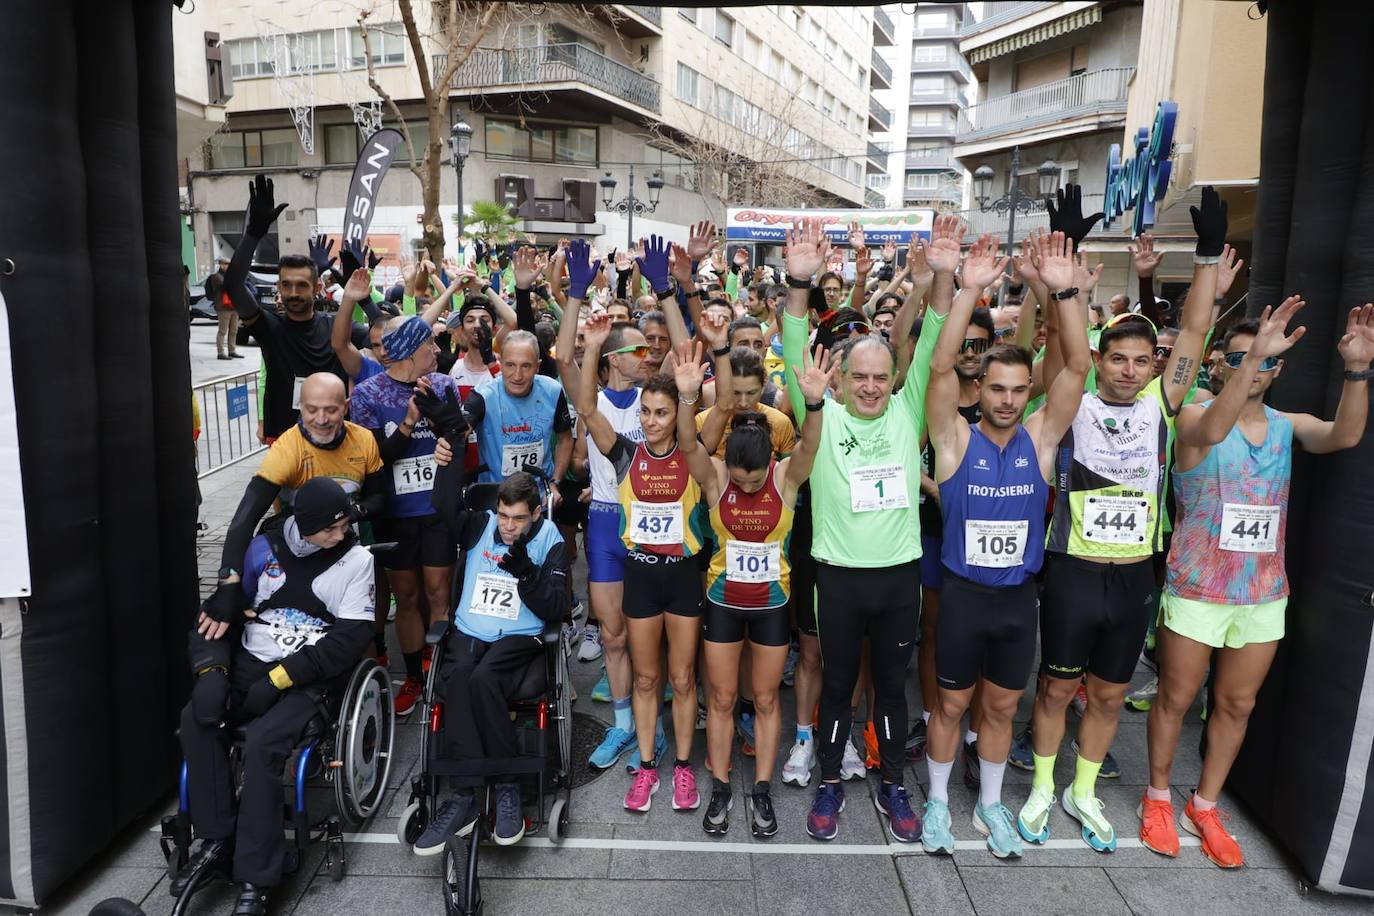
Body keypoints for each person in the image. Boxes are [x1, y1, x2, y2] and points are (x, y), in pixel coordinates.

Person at [1016, 187, 1228, 853]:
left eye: (1141, 360)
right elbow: (1062, 350)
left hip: (1135, 577)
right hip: (1074, 570)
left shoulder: (1164, 402)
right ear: (1101, 359)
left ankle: (1083, 791)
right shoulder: (1073, 398)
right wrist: (1066, 263)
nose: (1129, 371)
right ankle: (1043, 786)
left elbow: (1193, 333)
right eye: (1118, 358)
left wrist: (1206, 257)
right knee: (1055, 690)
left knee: (1108, 697)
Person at [1140, 302, 1372, 867]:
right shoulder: (1193, 414)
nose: (1254, 367)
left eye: (1264, 361)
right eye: (1240, 358)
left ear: (1278, 370)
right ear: (1219, 365)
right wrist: (1252, 360)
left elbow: (1344, 435)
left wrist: (1358, 370)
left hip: (1262, 593)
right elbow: (1217, 427)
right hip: (1198, 586)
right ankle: (1159, 798)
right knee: (1175, 698)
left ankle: (1206, 803)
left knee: (1238, 703)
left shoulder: (1286, 427)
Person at [921, 231, 1091, 859]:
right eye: (997, 389)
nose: (1009, 400)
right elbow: (939, 368)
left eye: (1020, 390)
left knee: (1000, 708)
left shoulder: (1042, 439)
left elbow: (1076, 366)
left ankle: (990, 804)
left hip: (1018, 601)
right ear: (982, 387)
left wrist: (1063, 292)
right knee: (950, 705)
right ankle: (938, 804)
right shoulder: (954, 441)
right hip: (964, 597)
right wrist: (967, 289)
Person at [781, 217, 951, 843]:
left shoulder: (909, 414)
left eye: (882, 376)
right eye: (861, 377)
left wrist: (942, 274)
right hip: (839, 579)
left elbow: (933, 339)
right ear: (843, 379)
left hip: (899, 578)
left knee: (890, 690)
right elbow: (796, 333)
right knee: (832, 687)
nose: (873, 386)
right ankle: (829, 780)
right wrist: (799, 280)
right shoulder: (819, 413)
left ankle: (891, 787)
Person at [178, 478, 374, 916]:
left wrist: (283, 677)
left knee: (266, 743)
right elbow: (218, 614)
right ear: (305, 527)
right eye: (332, 528)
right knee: (197, 718)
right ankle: (215, 840)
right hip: (251, 657)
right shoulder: (263, 549)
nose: (341, 534)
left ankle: (258, 876)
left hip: (307, 674)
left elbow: (350, 640)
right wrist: (211, 671)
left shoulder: (356, 560)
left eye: (345, 525)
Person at [411, 387, 568, 850]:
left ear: (535, 513)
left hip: (518, 638)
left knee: (481, 681)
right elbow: (443, 508)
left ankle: (503, 788)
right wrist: (450, 451)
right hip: (468, 630)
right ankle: (462, 793)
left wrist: (525, 572)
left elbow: (557, 606)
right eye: (503, 516)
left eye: (518, 519)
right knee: (456, 677)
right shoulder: (482, 525)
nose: (508, 527)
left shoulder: (548, 540)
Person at [690, 328, 830, 837]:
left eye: (755, 479)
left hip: (772, 606)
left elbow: (811, 443)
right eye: (740, 479)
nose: (747, 487)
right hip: (723, 602)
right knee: (723, 701)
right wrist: (690, 396)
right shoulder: (718, 480)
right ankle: (722, 787)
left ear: (771, 463)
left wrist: (812, 405)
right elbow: (688, 443)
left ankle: (764, 790)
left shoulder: (786, 479)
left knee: (768, 700)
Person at [574, 318, 713, 813]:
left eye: (662, 413)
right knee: (648, 679)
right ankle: (648, 767)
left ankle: (680, 768)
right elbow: (587, 408)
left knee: (682, 679)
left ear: (677, 416)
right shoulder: (626, 456)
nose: (651, 420)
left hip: (680, 580)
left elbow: (701, 433)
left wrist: (692, 394)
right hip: (640, 576)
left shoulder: (694, 457)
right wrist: (591, 348)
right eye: (647, 413)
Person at [349, 316, 460, 716]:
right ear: (414, 350)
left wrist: (438, 415)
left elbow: (459, 432)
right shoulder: (366, 394)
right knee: (407, 596)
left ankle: (443, 671)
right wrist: (411, 420)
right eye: (431, 344)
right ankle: (414, 676)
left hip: (436, 509)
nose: (437, 350)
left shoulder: (444, 384)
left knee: (438, 593)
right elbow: (374, 461)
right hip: (395, 513)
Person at [912, 304, 994, 764]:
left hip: (988, 537)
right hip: (935, 529)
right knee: (934, 631)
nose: (970, 352)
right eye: (962, 342)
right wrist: (941, 490)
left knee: (983, 637)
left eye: (979, 343)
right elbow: (909, 459)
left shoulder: (1002, 397)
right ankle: (929, 719)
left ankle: (976, 734)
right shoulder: (932, 398)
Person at [222, 176, 360, 441]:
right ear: (279, 288)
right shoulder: (268, 327)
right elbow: (234, 285)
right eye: (286, 285)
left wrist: (359, 294)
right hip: (285, 440)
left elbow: (386, 336)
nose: (293, 293)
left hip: (335, 437)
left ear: (316, 288)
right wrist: (252, 235)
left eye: (301, 285)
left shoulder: (337, 328)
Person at [462, 330, 574, 486]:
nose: (517, 375)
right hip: (496, 501)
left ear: (537, 367)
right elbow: (459, 433)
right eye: (510, 365)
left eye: (526, 366)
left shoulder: (552, 391)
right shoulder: (483, 395)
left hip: (539, 497)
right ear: (501, 364)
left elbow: (565, 439)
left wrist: (555, 482)